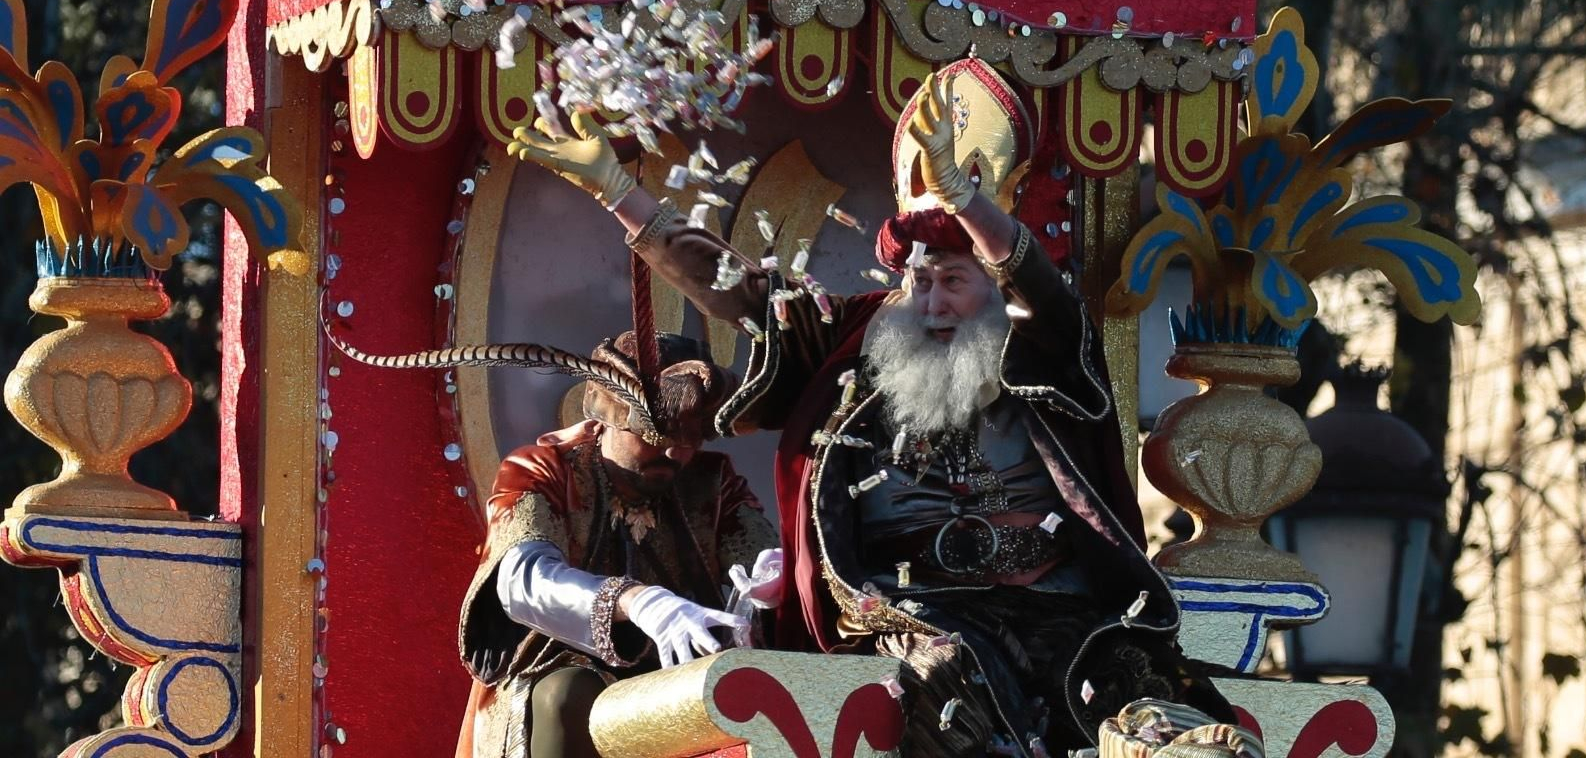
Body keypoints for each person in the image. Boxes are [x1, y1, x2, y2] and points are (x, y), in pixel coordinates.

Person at [508, 61, 1242, 755]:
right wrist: (619, 192)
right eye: (919, 280)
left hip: (1058, 601)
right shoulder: (854, 337)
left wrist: (968, 203)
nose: (933, 301)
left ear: (994, 278)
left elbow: (1045, 293)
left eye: (954, 279)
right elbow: (737, 287)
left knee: (1138, 689)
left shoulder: (1042, 345)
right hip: (910, 613)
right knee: (956, 695)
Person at [456, 331, 782, 758]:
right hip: (556, 672)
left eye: (689, 442)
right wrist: (637, 602)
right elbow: (522, 582)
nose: (674, 456)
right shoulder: (543, 469)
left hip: (676, 676)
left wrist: (774, 576)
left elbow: (756, 551)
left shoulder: (710, 480)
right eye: (655, 438)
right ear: (610, 415)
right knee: (568, 695)